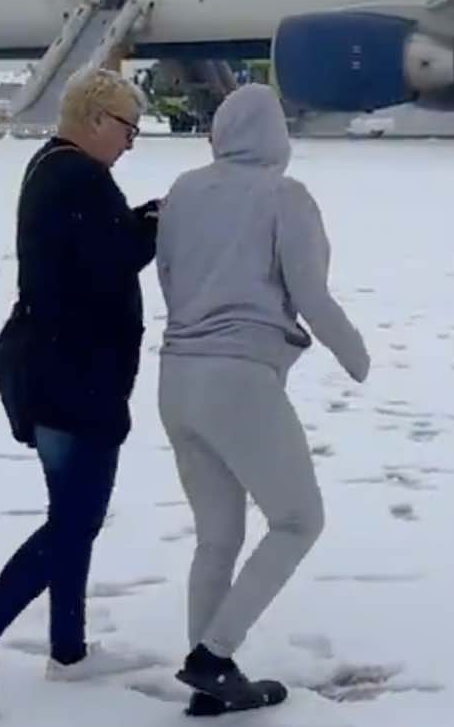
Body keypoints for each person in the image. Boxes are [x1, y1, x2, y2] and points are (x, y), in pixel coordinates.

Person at [0, 68, 161, 716]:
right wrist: (157, 224)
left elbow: (98, 249)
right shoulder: (79, 177)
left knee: (70, 515)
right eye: (128, 128)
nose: (132, 142)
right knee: (72, 524)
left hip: (54, 372)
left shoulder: (53, 168)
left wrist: (142, 219)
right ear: (94, 119)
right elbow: (110, 262)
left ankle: (69, 650)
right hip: (75, 381)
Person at [154, 84, 370, 713]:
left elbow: (168, 276)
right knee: (299, 519)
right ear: (277, 136)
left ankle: (208, 685)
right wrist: (355, 355)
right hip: (239, 377)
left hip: (176, 376)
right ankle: (214, 654)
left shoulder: (183, 193)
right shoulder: (284, 196)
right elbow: (310, 292)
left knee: (216, 535)